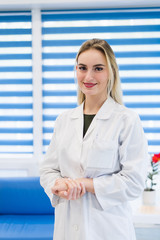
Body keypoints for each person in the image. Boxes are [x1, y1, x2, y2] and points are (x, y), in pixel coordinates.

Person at [40, 39, 148, 240]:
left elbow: (134, 182)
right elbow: (48, 169)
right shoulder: (64, 120)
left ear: (110, 72)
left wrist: (83, 184)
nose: (88, 76)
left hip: (108, 229)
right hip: (67, 227)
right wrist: (57, 185)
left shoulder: (127, 120)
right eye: (82, 68)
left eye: (98, 68)